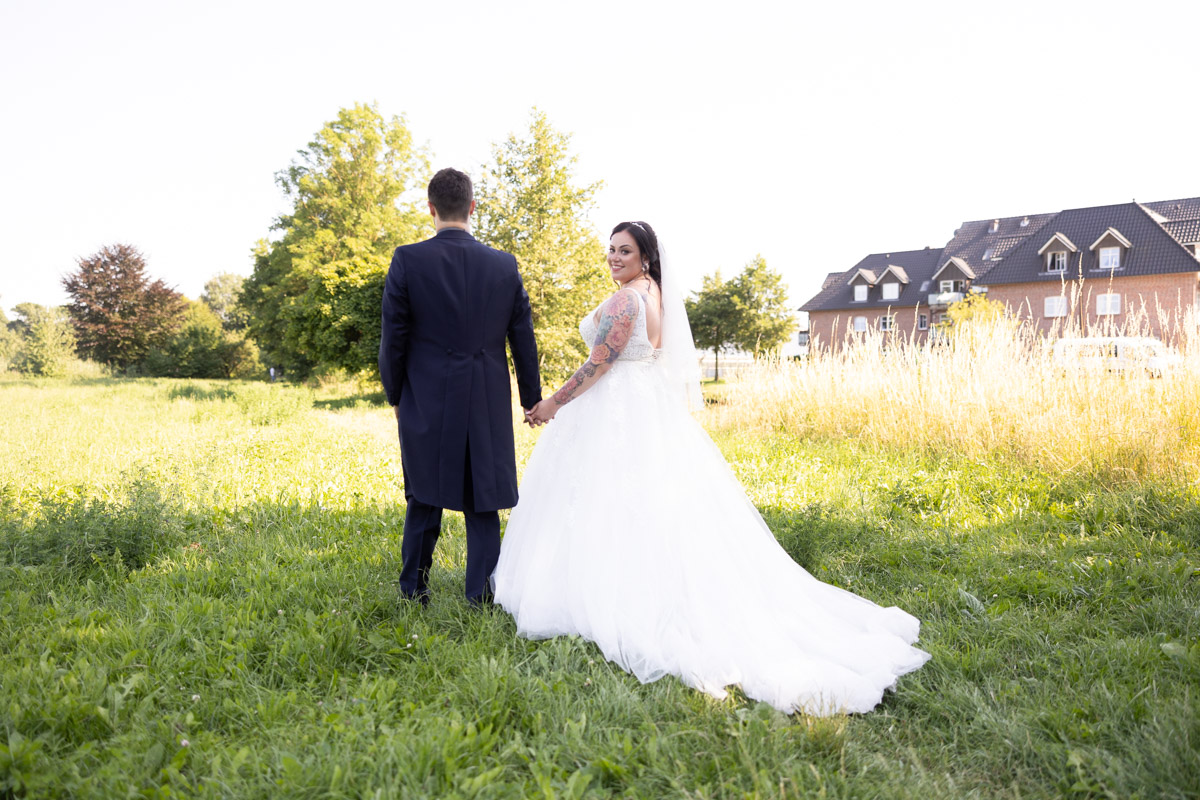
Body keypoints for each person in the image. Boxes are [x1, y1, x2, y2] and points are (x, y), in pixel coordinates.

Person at [493, 221, 930, 715]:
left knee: (606, 497)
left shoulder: (626, 300)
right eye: (610, 249)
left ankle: (605, 594)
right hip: (642, 406)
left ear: (645, 257)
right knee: (639, 502)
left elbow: (599, 363)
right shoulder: (654, 293)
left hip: (616, 408)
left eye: (625, 250)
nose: (613, 257)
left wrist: (552, 403)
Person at [379, 167, 542, 606]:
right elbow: (522, 338)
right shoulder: (504, 264)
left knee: (424, 492)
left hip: (426, 395)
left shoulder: (407, 259)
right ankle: (481, 596)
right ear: (472, 207)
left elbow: (393, 337)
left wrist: (396, 394)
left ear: (430, 208)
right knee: (483, 497)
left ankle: (413, 590)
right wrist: (531, 399)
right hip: (486, 396)